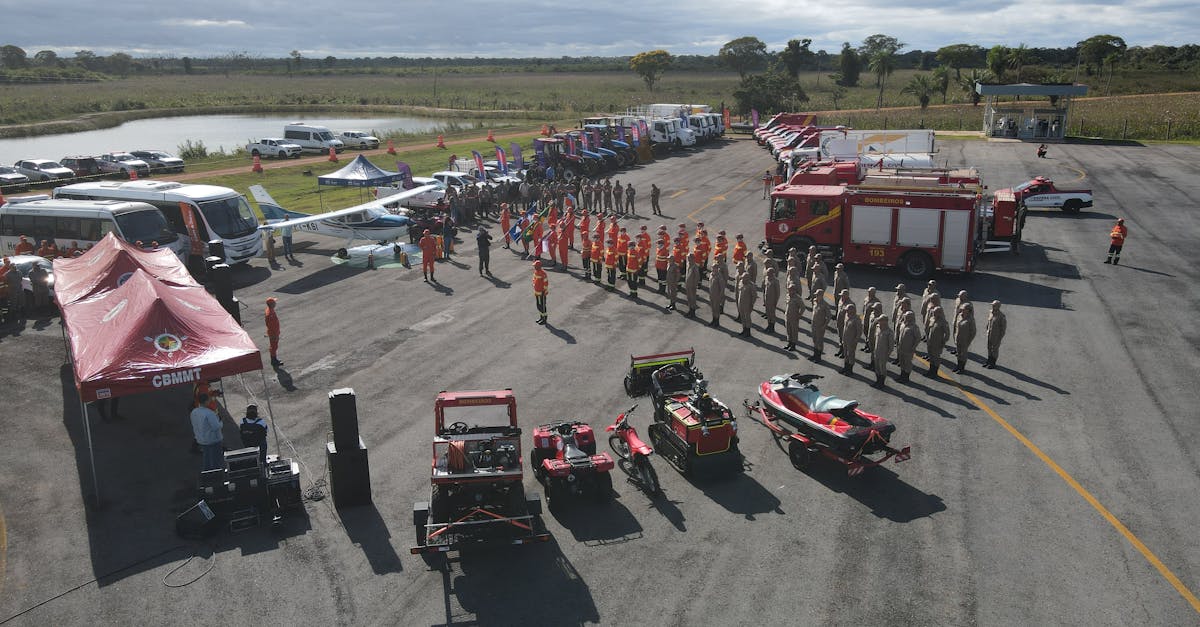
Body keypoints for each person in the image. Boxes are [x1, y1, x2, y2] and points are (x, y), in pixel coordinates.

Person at [191, 393, 225, 472]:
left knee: (206, 458)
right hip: (213, 439)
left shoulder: (194, 412)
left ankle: (207, 474)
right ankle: (216, 473)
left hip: (201, 439)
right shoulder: (209, 413)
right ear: (206, 401)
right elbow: (216, 427)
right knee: (216, 458)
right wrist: (221, 422)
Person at [896, 311, 920, 383]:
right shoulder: (903, 324)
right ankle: (902, 375)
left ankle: (906, 378)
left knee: (907, 363)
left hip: (908, 348)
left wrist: (913, 347)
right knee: (902, 362)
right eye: (905, 316)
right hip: (901, 347)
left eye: (907, 316)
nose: (905, 317)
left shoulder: (914, 327)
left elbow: (918, 338)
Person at [925, 306, 950, 378]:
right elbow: (928, 329)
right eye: (933, 312)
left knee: (936, 358)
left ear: (940, 313)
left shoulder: (943, 322)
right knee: (931, 356)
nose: (934, 313)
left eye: (935, 312)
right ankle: (931, 370)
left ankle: (935, 372)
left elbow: (947, 334)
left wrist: (943, 342)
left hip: (937, 343)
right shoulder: (932, 319)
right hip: (930, 342)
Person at [953, 302, 976, 373]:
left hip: (965, 340)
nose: (962, 310)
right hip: (958, 338)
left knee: (963, 354)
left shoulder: (970, 319)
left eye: (964, 309)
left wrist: (968, 341)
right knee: (958, 353)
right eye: (962, 309)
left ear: (968, 310)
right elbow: (956, 327)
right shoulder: (959, 315)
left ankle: (962, 368)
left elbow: (973, 332)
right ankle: (958, 366)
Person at [872, 315, 893, 387]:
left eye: (880, 320)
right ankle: (877, 381)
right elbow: (875, 339)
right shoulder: (878, 328)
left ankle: (882, 383)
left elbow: (891, 346)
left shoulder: (889, 332)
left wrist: (887, 355)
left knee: (882, 368)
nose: (879, 322)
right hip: (876, 351)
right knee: (877, 367)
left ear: (885, 322)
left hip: (883, 353)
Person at [839, 303, 861, 375]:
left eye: (848, 310)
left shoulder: (856, 319)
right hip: (845, 339)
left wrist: (855, 340)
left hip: (852, 341)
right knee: (845, 354)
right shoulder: (847, 316)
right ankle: (845, 368)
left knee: (850, 355)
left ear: (852, 310)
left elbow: (859, 332)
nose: (846, 312)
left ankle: (850, 370)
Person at [985, 300, 1007, 369]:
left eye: (994, 305)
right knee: (989, 348)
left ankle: (993, 363)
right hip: (989, 334)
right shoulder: (991, 312)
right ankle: (988, 361)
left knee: (994, 349)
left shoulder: (1001, 316)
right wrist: (987, 330)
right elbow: (989, 323)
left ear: (998, 306)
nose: (992, 306)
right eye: (992, 305)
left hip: (996, 336)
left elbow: (1003, 329)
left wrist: (1000, 338)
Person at [809, 291, 830, 362]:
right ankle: (815, 355)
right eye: (816, 295)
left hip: (820, 326)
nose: (816, 296)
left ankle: (819, 357)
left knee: (819, 341)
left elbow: (828, 316)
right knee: (814, 340)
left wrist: (824, 326)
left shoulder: (825, 305)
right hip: (814, 325)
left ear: (821, 295)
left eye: (818, 295)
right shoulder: (815, 302)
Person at [736, 266, 756, 337]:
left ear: (748, 278)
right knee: (742, 317)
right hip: (740, 302)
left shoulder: (751, 285)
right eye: (743, 278)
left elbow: (754, 296)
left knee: (747, 317)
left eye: (745, 278)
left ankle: (748, 331)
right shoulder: (741, 282)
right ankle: (744, 329)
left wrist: (752, 304)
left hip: (747, 304)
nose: (743, 279)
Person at [708, 259, 727, 326]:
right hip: (712, 294)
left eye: (715, 268)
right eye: (712, 268)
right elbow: (710, 284)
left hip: (717, 295)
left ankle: (717, 322)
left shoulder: (719, 276)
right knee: (713, 308)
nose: (713, 269)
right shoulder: (711, 275)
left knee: (716, 309)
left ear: (717, 268)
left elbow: (722, 287)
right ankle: (713, 320)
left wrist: (720, 296)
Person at [762, 263, 780, 334]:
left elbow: (777, 293)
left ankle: (772, 327)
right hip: (767, 299)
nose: (768, 274)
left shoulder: (775, 281)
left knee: (772, 314)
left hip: (772, 300)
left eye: (769, 273)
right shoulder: (767, 278)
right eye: (767, 273)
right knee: (768, 313)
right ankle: (769, 325)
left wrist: (776, 302)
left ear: (773, 273)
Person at [264, 297, 283, 367]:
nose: (276, 303)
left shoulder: (269, 310)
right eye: (274, 302)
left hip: (272, 332)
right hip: (273, 333)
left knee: (273, 346)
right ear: (272, 304)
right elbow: (273, 326)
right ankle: (274, 361)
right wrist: (276, 335)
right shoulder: (270, 314)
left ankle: (274, 360)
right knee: (274, 347)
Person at [684, 250, 701, 318]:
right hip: (688, 285)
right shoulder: (688, 264)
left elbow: (697, 277)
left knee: (692, 298)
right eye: (687, 258)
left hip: (692, 286)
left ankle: (693, 312)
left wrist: (695, 285)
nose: (688, 259)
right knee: (689, 298)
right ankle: (690, 310)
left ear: (693, 258)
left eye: (689, 258)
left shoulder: (695, 266)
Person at [532, 260, 549, 324]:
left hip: (541, 293)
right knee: (538, 306)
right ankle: (541, 317)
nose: (534, 267)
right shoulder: (536, 272)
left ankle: (544, 318)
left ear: (538, 267)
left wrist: (545, 291)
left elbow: (546, 283)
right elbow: (534, 279)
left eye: (535, 266)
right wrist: (534, 285)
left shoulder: (543, 274)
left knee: (542, 306)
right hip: (537, 292)